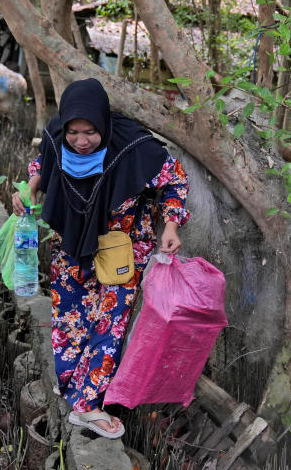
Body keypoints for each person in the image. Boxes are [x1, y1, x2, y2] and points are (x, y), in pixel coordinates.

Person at [11, 78, 190, 439]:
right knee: (71, 320)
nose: (80, 141)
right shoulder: (55, 138)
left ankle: (89, 406)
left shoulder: (135, 147)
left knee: (108, 326)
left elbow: (175, 180)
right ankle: (75, 387)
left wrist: (171, 225)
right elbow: (41, 163)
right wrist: (29, 187)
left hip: (121, 252)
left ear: (103, 125)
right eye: (73, 132)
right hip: (72, 247)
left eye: (90, 132)